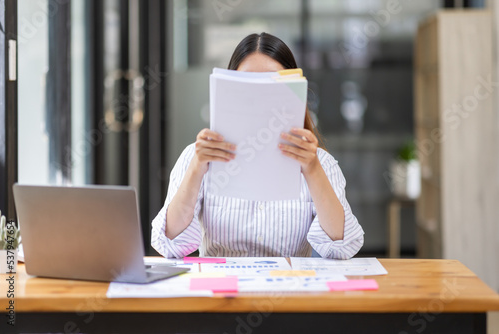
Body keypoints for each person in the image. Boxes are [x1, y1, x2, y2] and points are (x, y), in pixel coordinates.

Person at [152, 32, 364, 259]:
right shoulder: (196, 157)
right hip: (223, 290)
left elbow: (342, 248)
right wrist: (196, 169)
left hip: (289, 289)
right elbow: (170, 245)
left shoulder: (320, 163)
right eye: (247, 86)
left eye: (273, 86)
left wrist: (311, 170)